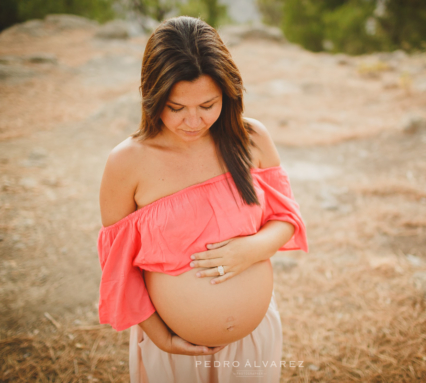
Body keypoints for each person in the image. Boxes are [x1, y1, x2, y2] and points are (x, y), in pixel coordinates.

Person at [97, 16, 308, 382]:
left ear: (228, 94)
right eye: (176, 108)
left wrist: (252, 249)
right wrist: (160, 337)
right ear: (153, 98)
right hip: (175, 350)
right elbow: (119, 265)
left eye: (208, 105)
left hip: (253, 343)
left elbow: (286, 219)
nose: (193, 121)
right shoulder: (126, 162)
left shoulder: (251, 138)